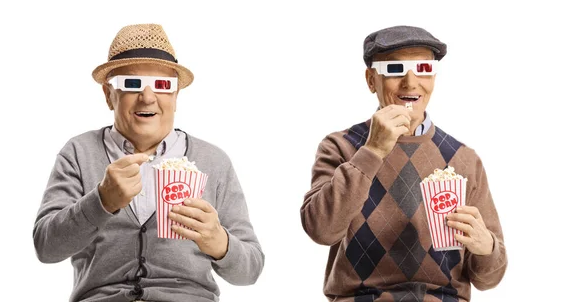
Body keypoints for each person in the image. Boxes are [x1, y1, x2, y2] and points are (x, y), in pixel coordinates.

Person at [34, 23, 264, 302]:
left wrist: (219, 241)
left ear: (176, 97)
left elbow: (250, 269)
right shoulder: (79, 153)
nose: (147, 96)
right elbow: (46, 247)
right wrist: (101, 201)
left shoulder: (212, 161)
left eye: (163, 85)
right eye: (131, 84)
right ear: (109, 95)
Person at [300, 26, 506, 301]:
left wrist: (486, 246)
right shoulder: (341, 146)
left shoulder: (463, 159)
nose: (411, 82)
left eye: (423, 68)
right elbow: (321, 229)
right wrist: (372, 150)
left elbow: (489, 278)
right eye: (395, 68)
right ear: (371, 80)